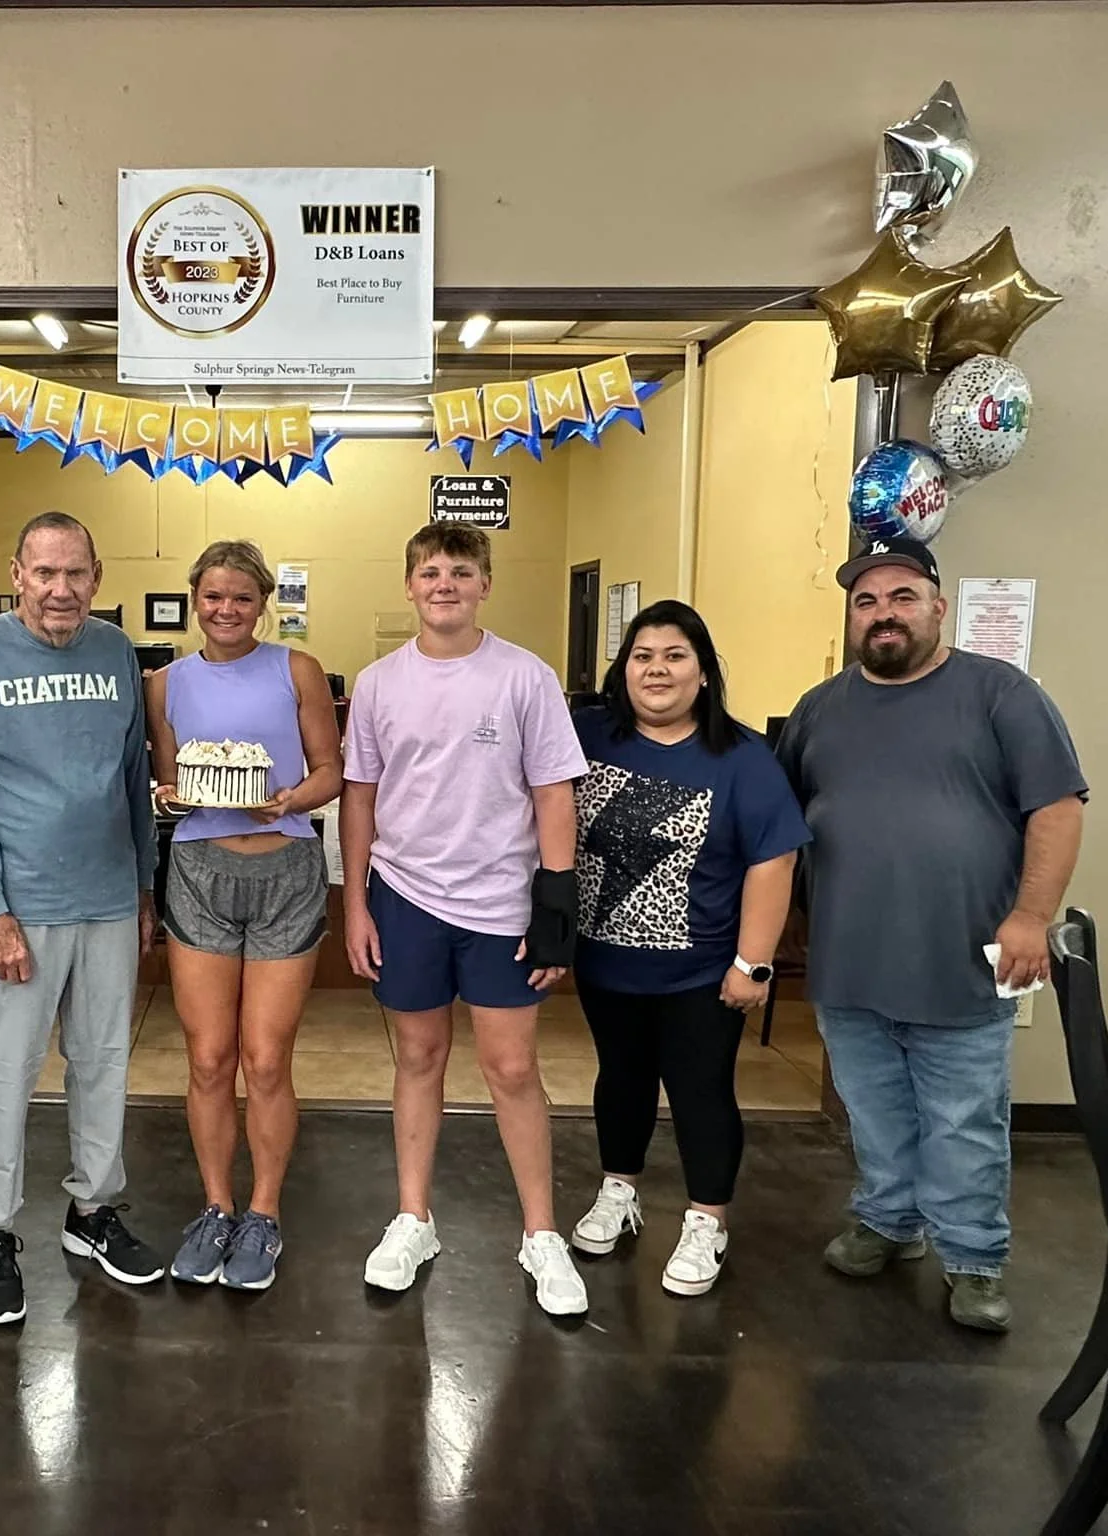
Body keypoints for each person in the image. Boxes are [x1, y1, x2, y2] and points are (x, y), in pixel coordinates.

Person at [776, 536, 1086, 1334]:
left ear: (938, 608)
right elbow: (782, 824)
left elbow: (1057, 808)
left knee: (963, 1119)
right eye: (867, 601)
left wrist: (1031, 917)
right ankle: (888, 1220)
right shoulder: (820, 708)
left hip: (968, 958)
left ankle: (975, 1259)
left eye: (901, 598)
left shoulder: (1001, 695)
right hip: (847, 959)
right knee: (873, 1109)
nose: (884, 614)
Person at [342, 521, 589, 1317]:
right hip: (405, 896)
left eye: (459, 570)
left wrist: (558, 900)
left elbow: (555, 790)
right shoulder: (379, 683)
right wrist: (353, 902)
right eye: (429, 572)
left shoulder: (525, 677)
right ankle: (413, 1218)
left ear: (485, 583)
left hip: (500, 902)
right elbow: (361, 797)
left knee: (512, 1069)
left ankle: (541, 1233)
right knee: (419, 1057)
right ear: (408, 585)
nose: (443, 583)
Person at [0, 511, 163, 1326]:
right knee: (3, 1071)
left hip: (108, 900)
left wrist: (143, 888)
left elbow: (132, 780)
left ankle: (93, 1211)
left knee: (103, 1061)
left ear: (97, 578)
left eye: (76, 574)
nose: (61, 590)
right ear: (17, 573)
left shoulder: (116, 653)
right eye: (45, 573)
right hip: (19, 909)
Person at [565, 601, 809, 1298]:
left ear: (703, 672)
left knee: (700, 1090)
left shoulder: (741, 759)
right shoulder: (586, 738)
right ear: (623, 670)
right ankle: (620, 1190)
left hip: (703, 971)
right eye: (642, 656)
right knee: (621, 1078)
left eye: (675, 655)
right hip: (605, 961)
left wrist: (751, 962)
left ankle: (707, 1219)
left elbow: (774, 860)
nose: (657, 669)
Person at [148, 540, 343, 1290]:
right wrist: (171, 797)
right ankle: (215, 1206)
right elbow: (173, 782)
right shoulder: (164, 685)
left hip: (286, 869)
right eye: (213, 596)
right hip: (200, 871)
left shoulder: (297, 669)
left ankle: (263, 1212)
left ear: (263, 603)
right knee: (207, 1058)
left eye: (241, 597)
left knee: (265, 1060)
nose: (226, 609)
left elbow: (330, 771)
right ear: (195, 599)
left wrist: (289, 799)